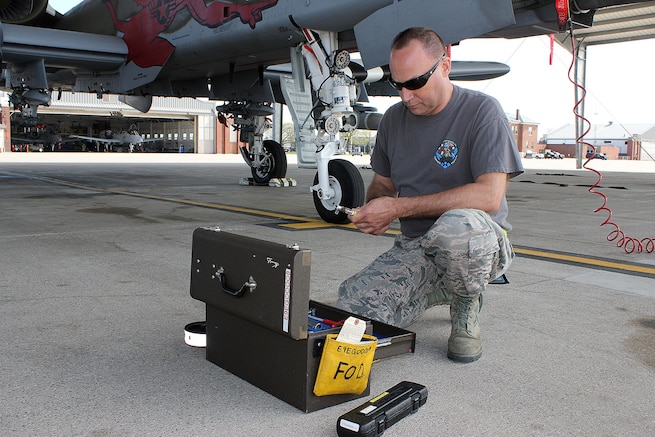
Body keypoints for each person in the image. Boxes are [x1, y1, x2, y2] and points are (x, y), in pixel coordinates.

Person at [335, 27, 524, 363]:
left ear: (445, 66)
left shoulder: (482, 113)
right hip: (417, 246)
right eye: (398, 85)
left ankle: (466, 298)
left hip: (477, 243)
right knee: (352, 306)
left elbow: (489, 196)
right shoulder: (394, 119)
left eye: (416, 82)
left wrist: (398, 208)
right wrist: (377, 204)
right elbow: (383, 183)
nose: (406, 95)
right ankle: (436, 289)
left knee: (457, 230)